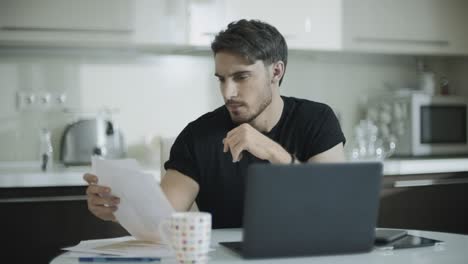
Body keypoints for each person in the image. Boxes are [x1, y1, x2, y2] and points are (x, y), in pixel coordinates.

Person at [84, 19, 346, 229]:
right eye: (221, 79)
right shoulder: (198, 136)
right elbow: (161, 216)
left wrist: (271, 151)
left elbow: (336, 207)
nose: (228, 92)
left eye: (241, 77)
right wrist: (118, 210)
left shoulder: (316, 119)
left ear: (276, 72)